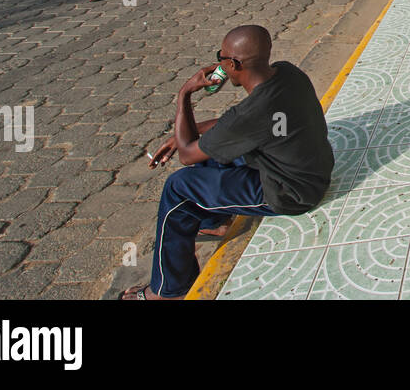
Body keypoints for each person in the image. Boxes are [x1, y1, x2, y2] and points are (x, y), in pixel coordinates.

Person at [121, 25, 335, 300]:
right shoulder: (287, 72)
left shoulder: (252, 112)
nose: (220, 62)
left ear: (232, 64)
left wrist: (184, 94)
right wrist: (194, 129)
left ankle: (169, 289)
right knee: (216, 157)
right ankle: (214, 220)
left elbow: (187, 155)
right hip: (311, 167)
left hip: (291, 193)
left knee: (178, 188)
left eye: (221, 57)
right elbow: (238, 128)